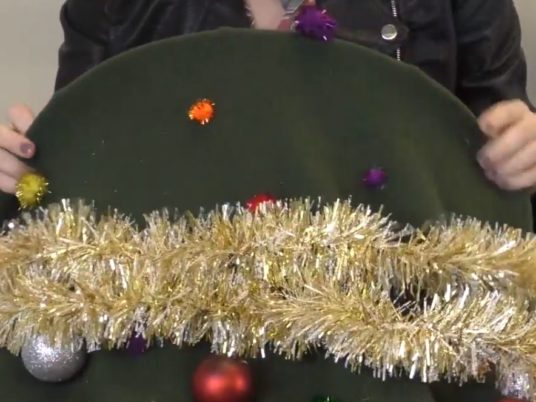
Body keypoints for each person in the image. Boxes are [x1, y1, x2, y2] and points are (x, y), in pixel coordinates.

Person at [1, 0, 536, 196]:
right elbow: (76, 183)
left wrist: (523, 156)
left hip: (396, 316)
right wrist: (22, 171)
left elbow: (507, 181)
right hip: (178, 321)